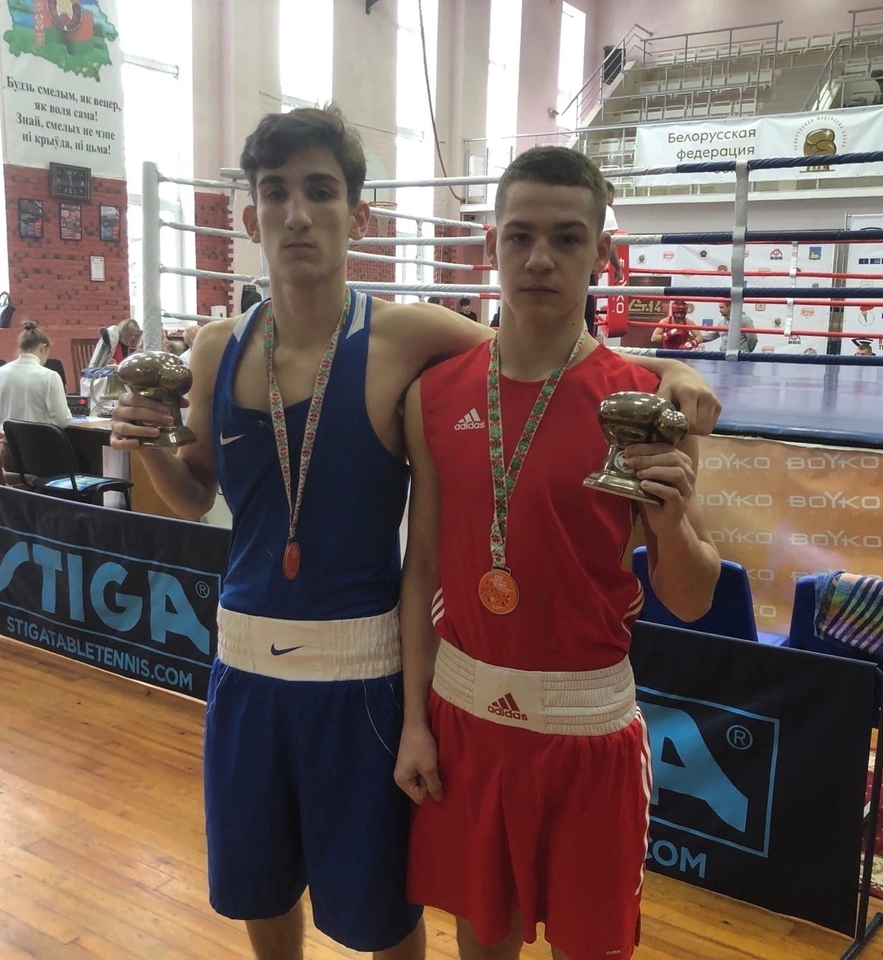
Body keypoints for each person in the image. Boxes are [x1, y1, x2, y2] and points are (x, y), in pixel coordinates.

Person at [107, 106, 721, 960]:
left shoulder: (409, 337)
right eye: (275, 194)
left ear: (359, 216)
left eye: (320, 191)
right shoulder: (218, 348)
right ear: (248, 217)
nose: (296, 214)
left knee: (386, 920)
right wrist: (145, 447)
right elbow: (194, 494)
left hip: (372, 677)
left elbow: (537, 349)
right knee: (261, 890)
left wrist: (672, 368)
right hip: (249, 665)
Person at [396, 145, 720, 960]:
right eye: (521, 236)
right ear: (492, 245)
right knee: (482, 946)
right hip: (466, 723)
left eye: (567, 238)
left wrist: (672, 524)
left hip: (588, 732)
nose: (540, 258)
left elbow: (691, 598)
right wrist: (413, 724)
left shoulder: (646, 406)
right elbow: (422, 568)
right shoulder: (435, 394)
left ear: (601, 253)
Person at [0, 321, 72, 471]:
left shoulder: (0, 373)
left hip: (10, 456)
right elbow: (62, 420)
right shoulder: (50, 376)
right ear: (43, 348)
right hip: (41, 458)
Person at [584, 179, 624, 335]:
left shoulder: (584, 206)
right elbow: (608, 240)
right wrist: (617, 267)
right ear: (610, 194)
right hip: (587, 264)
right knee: (586, 305)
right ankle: (585, 340)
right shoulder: (605, 209)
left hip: (573, 263)